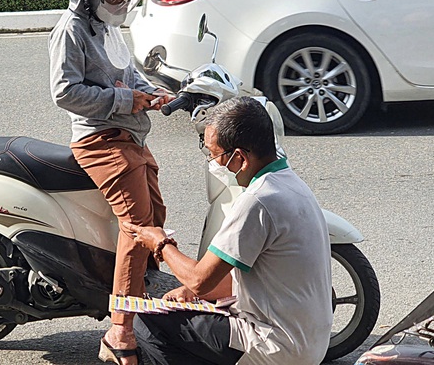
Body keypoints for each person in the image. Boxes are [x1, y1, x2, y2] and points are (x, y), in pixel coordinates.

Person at [124, 97, 333, 365]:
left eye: (214, 155)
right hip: (310, 338)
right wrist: (192, 293)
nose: (213, 163)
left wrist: (161, 244)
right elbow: (230, 276)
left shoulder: (257, 201)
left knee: (148, 323)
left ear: (240, 158)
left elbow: (201, 279)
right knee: (184, 307)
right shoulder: (290, 183)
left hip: (277, 345)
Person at [49, 0, 173, 365]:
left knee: (157, 215)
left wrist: (152, 90)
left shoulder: (107, 25)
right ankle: (119, 329)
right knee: (138, 227)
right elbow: (65, 92)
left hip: (130, 134)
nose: (121, 4)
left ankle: (140, 297)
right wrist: (125, 100)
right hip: (100, 140)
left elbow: (128, 70)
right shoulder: (71, 30)